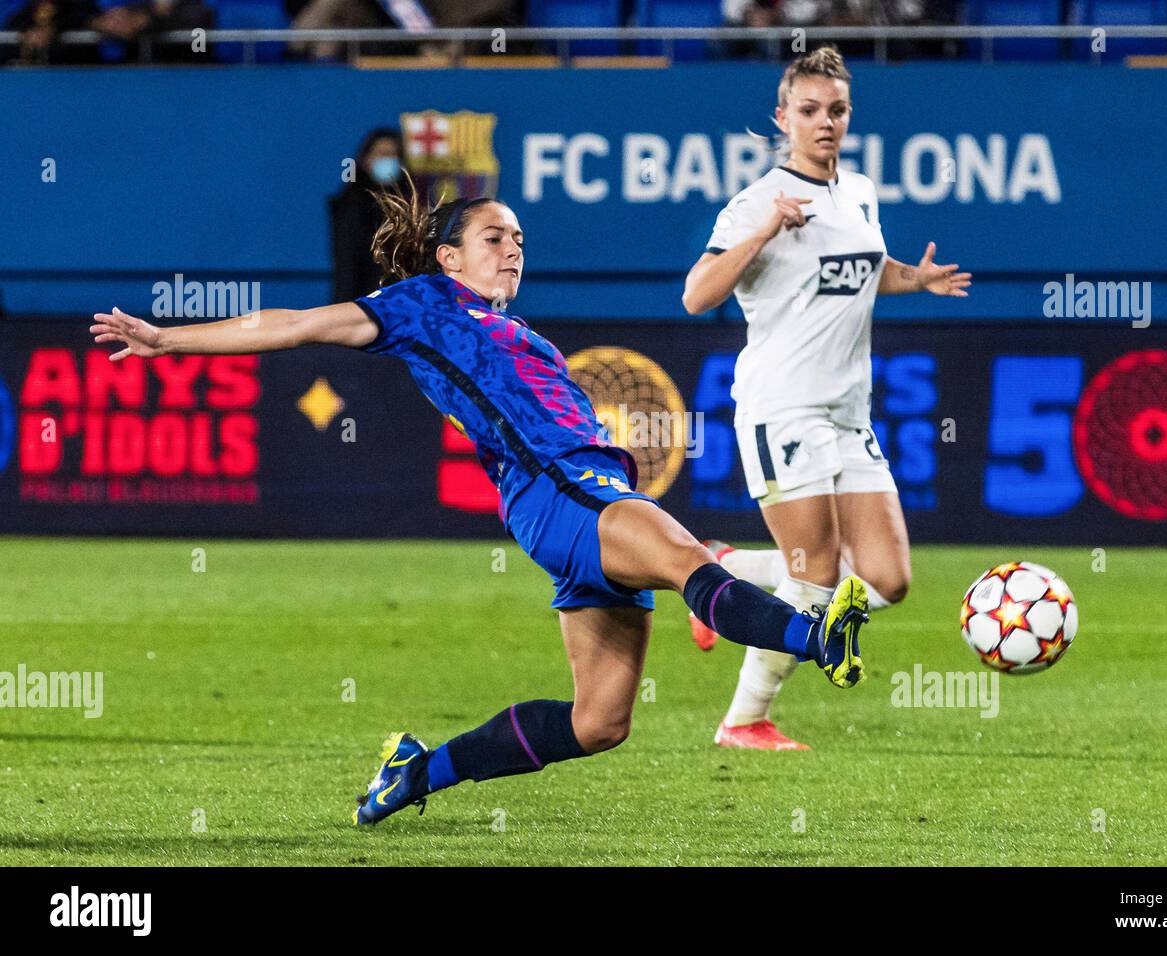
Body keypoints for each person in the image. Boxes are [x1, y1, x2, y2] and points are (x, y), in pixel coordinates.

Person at [88, 178, 872, 827]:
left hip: (576, 496)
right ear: (447, 255)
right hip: (561, 488)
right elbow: (294, 325)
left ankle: (419, 771)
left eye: (520, 241)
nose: (512, 251)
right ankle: (813, 636)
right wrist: (171, 340)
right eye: (495, 238)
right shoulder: (422, 304)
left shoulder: (520, 332)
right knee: (687, 559)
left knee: (598, 723)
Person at [681, 46, 970, 751]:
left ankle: (725, 567)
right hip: (782, 408)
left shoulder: (860, 191)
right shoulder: (757, 202)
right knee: (815, 582)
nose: (824, 122)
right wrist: (765, 230)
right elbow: (697, 296)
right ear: (783, 118)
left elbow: (863, 275)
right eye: (809, 110)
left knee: (887, 579)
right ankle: (744, 721)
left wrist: (914, 278)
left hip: (848, 414)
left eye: (836, 109)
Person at [330, 128, 403, 303]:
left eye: (393, 155)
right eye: (382, 154)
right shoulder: (352, 204)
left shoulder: (408, 203)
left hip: (400, 302)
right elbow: (347, 267)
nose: (388, 160)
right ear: (366, 160)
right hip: (362, 304)